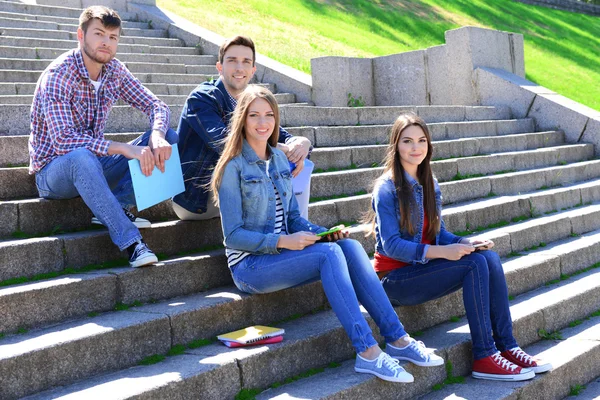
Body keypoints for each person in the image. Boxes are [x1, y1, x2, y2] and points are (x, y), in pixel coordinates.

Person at [211, 85, 444, 383]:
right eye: (254, 115)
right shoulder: (233, 167)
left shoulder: (280, 160)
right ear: (242, 119)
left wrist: (325, 233)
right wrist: (283, 241)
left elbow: (294, 217)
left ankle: (398, 340)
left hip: (281, 255)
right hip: (250, 266)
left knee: (345, 245)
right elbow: (232, 236)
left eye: (269, 115)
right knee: (330, 255)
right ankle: (368, 352)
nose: (262, 122)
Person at [367, 113, 552, 381]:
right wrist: (444, 252)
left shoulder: (429, 183)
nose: (415, 147)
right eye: (407, 141)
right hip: (393, 280)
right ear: (396, 145)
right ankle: (484, 356)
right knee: (474, 264)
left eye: (421, 141)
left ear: (429, 145)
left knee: (486, 255)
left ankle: (508, 347)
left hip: (422, 271)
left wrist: (467, 242)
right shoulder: (385, 188)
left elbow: (438, 234)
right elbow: (392, 245)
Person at [28, 6, 177, 268]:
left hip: (95, 163)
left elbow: (158, 106)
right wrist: (121, 148)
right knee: (81, 156)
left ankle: (118, 203)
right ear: (80, 35)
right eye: (99, 34)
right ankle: (132, 243)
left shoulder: (115, 71)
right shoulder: (59, 75)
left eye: (112, 37)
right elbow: (63, 140)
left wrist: (157, 134)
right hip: (53, 172)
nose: (106, 42)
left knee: (170, 138)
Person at [174, 35, 313, 221]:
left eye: (246, 62)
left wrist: (301, 144)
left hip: (234, 192)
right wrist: (282, 150)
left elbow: (281, 135)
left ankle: (298, 225)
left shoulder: (251, 102)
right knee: (259, 160)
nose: (239, 68)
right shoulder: (202, 98)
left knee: (301, 164)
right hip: (196, 199)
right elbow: (226, 145)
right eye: (232, 61)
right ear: (219, 67)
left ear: (253, 70)